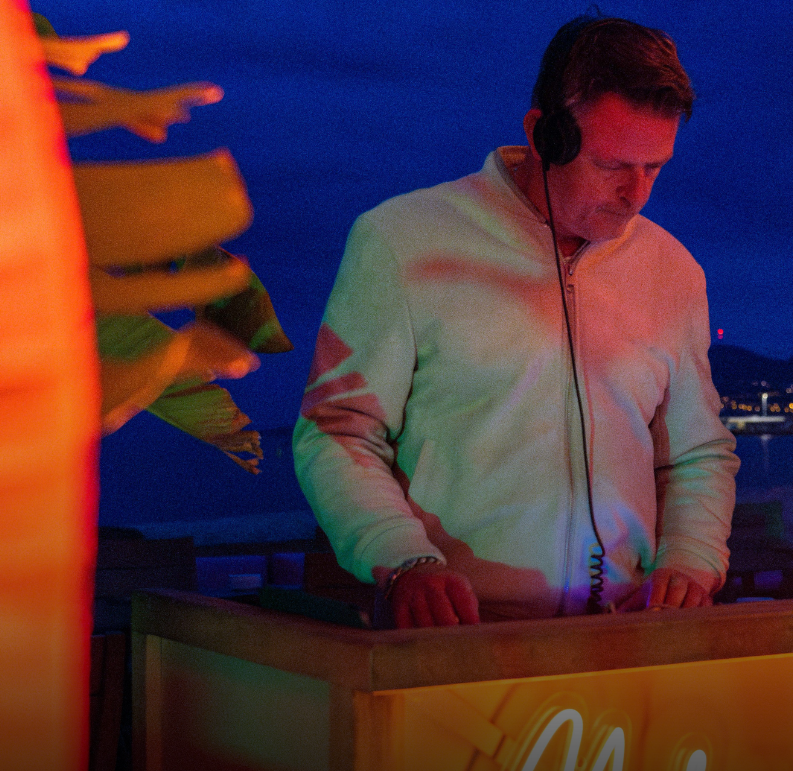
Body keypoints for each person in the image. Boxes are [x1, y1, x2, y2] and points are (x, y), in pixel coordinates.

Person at [294, 15, 736, 626]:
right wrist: (403, 560)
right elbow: (338, 431)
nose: (636, 194)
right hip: (453, 637)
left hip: (627, 637)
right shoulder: (401, 242)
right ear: (543, 135)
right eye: (612, 166)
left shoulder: (674, 271)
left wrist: (690, 560)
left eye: (654, 167)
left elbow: (696, 453)